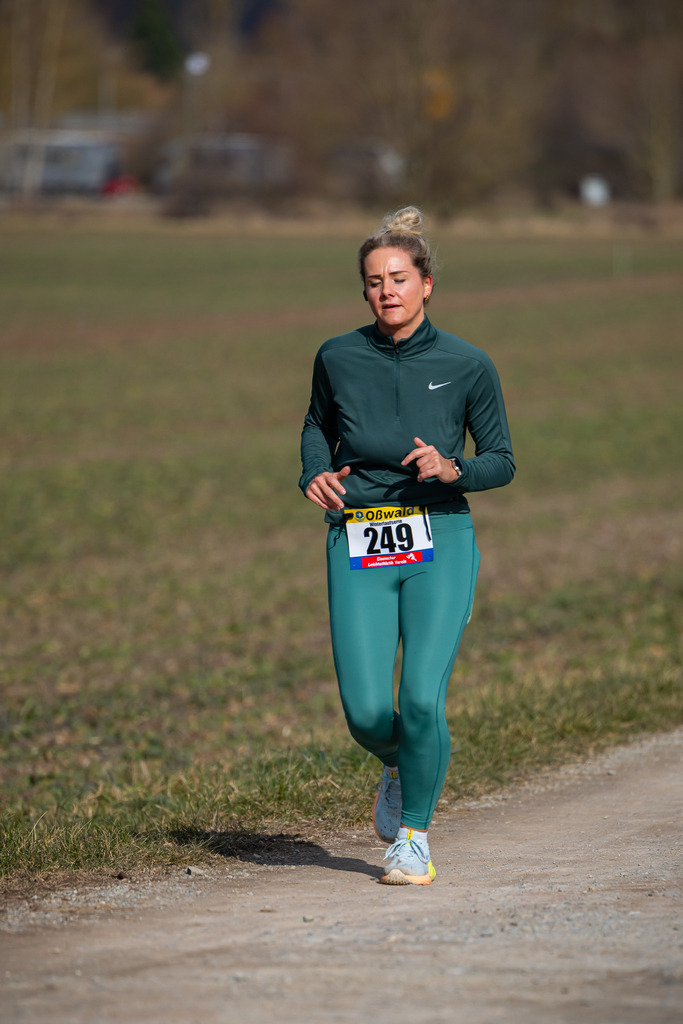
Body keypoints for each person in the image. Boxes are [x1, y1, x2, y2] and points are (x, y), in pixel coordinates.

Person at [299, 206, 515, 885]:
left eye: (398, 278)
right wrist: (312, 473)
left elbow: (502, 460)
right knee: (367, 715)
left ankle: (413, 839)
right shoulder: (337, 356)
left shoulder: (467, 364)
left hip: (438, 536)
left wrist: (453, 469)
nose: (386, 290)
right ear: (364, 290)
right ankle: (398, 762)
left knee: (421, 700)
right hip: (359, 535)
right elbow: (316, 425)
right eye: (374, 281)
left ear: (426, 284)